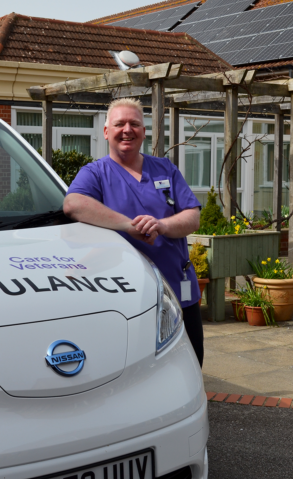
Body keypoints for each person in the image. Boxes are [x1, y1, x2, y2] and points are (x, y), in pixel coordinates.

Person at [63, 97, 204, 367]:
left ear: (144, 131)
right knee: (136, 367)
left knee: (191, 361)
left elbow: (192, 216)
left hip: (178, 286)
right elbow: (73, 204)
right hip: (125, 295)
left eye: (135, 124)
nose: (127, 129)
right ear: (106, 131)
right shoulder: (95, 173)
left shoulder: (165, 169)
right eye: (119, 124)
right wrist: (130, 226)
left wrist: (162, 225)